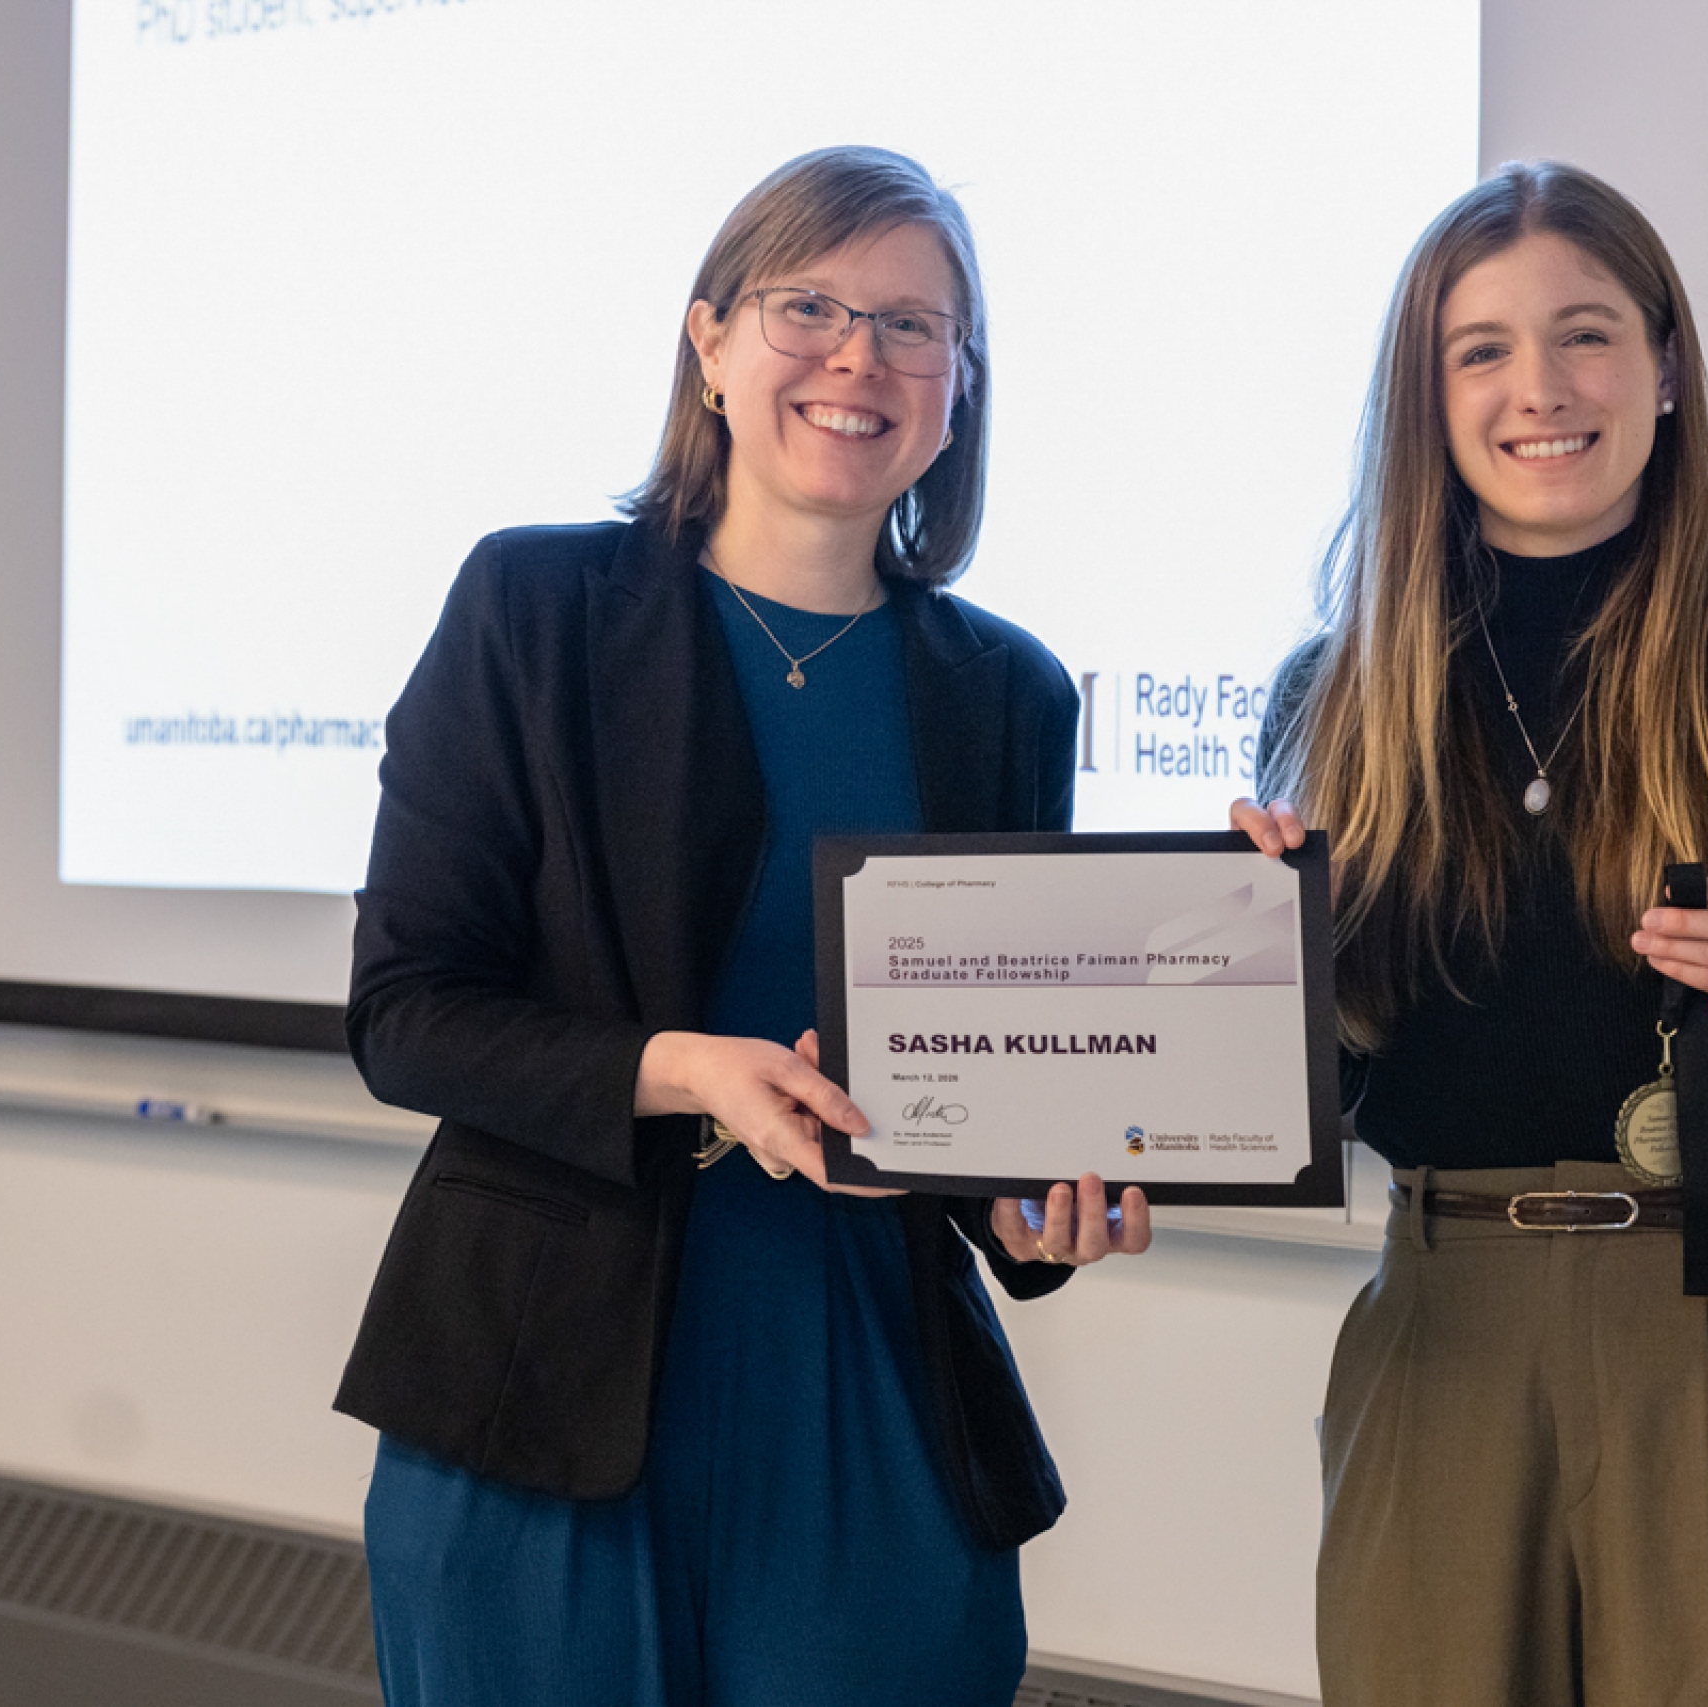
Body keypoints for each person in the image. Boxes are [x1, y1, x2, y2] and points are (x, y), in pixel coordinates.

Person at [335, 146, 1151, 1707]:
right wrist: (687, 1071)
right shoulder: (533, 611)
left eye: (917, 327)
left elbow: (983, 1083)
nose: (862, 358)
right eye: (810, 307)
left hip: (868, 1387)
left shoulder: (1010, 694)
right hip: (538, 1386)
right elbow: (406, 1012)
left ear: (959, 386)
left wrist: (1041, 1213)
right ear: (709, 340)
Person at [1232, 162, 1708, 1706]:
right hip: (1440, 1322)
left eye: (1585, 335)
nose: (1541, 389)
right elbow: (1337, 1091)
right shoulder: (1339, 693)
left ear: (1667, 367)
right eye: (1481, 348)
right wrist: (1248, 977)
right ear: (1423, 396)